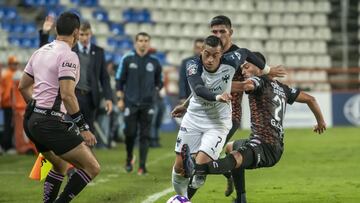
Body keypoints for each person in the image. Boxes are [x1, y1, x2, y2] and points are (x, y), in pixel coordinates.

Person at [182, 52, 327, 203]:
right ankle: (241, 198)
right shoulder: (282, 88)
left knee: (236, 157)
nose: (243, 71)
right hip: (265, 142)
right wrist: (321, 122)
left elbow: (247, 85)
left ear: (260, 68)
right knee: (231, 147)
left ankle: (196, 169)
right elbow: (311, 99)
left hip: (266, 146)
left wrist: (216, 85)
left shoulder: (259, 81)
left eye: (246, 67)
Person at [172, 15, 286, 198]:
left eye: (222, 32)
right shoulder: (208, 55)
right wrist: (186, 105)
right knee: (203, 160)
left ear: (230, 33)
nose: (218, 35)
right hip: (204, 111)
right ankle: (229, 178)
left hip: (229, 115)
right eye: (214, 32)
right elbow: (201, 85)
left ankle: (184, 199)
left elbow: (250, 81)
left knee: (201, 162)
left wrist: (268, 71)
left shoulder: (237, 57)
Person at [18, 12, 100, 202]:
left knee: (61, 166)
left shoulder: (41, 51)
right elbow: (67, 95)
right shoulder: (69, 56)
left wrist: (36, 109)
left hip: (31, 121)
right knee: (92, 167)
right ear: (77, 33)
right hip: (49, 122)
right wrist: (83, 128)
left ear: (56, 29)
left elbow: (22, 86)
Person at [39, 17, 113, 148]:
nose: (84, 38)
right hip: (72, 96)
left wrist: (108, 98)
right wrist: (44, 33)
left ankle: (84, 165)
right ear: (77, 34)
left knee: (88, 133)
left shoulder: (99, 51)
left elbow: (104, 77)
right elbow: (45, 51)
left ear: (91, 34)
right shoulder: (69, 49)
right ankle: (70, 164)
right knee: (68, 132)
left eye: (87, 34)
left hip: (91, 98)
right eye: (82, 34)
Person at [115, 32, 163, 175]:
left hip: (148, 104)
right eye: (140, 40)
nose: (143, 43)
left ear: (149, 43)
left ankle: (142, 166)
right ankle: (129, 157)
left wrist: (155, 90)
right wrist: (120, 99)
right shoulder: (128, 59)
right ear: (136, 43)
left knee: (145, 135)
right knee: (129, 133)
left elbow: (159, 81)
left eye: (146, 40)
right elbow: (119, 80)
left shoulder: (154, 62)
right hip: (130, 103)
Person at [0, 56, 19, 152]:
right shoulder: (8, 75)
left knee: (11, 125)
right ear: (9, 64)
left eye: (16, 64)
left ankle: (8, 145)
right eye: (13, 64)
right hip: (9, 103)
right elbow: (7, 91)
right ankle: (7, 145)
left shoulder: (10, 74)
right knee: (9, 125)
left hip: (11, 103)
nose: (15, 66)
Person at [178, 38, 204, 104]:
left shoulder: (209, 63)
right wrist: (182, 97)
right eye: (197, 48)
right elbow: (182, 80)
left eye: (202, 48)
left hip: (204, 98)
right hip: (189, 97)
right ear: (194, 48)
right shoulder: (186, 62)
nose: (199, 50)